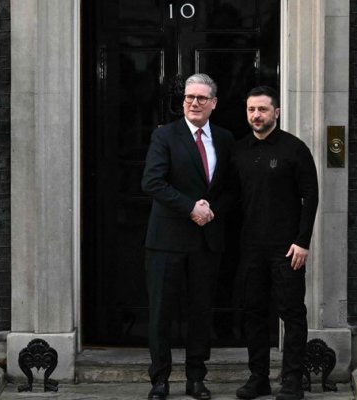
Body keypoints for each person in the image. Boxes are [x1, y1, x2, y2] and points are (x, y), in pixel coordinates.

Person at [141, 73, 235, 400]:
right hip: (166, 240)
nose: (194, 103)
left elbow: (231, 187)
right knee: (161, 314)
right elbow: (152, 182)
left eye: (201, 98)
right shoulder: (165, 136)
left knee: (201, 312)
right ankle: (160, 379)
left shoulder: (224, 138)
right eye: (189, 97)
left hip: (207, 241)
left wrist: (211, 210)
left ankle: (196, 378)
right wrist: (190, 208)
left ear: (214, 103)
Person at [231, 86, 319, 400]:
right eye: (251, 109)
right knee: (253, 313)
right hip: (250, 247)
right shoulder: (238, 150)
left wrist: (303, 241)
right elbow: (231, 199)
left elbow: (311, 196)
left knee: (292, 313)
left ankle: (292, 380)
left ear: (276, 112)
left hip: (287, 249)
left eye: (263, 109)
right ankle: (259, 379)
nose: (256, 115)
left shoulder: (295, 149)